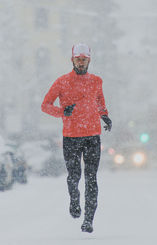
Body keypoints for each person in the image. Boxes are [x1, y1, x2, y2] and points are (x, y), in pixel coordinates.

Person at [41, 43, 112, 233]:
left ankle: (88, 220)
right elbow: (45, 105)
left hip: (92, 136)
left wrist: (105, 115)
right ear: (72, 60)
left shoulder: (96, 81)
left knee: (91, 178)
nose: (81, 63)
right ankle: (74, 199)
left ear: (89, 60)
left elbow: (99, 102)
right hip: (71, 136)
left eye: (84, 60)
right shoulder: (62, 82)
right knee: (74, 176)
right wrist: (62, 111)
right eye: (78, 59)